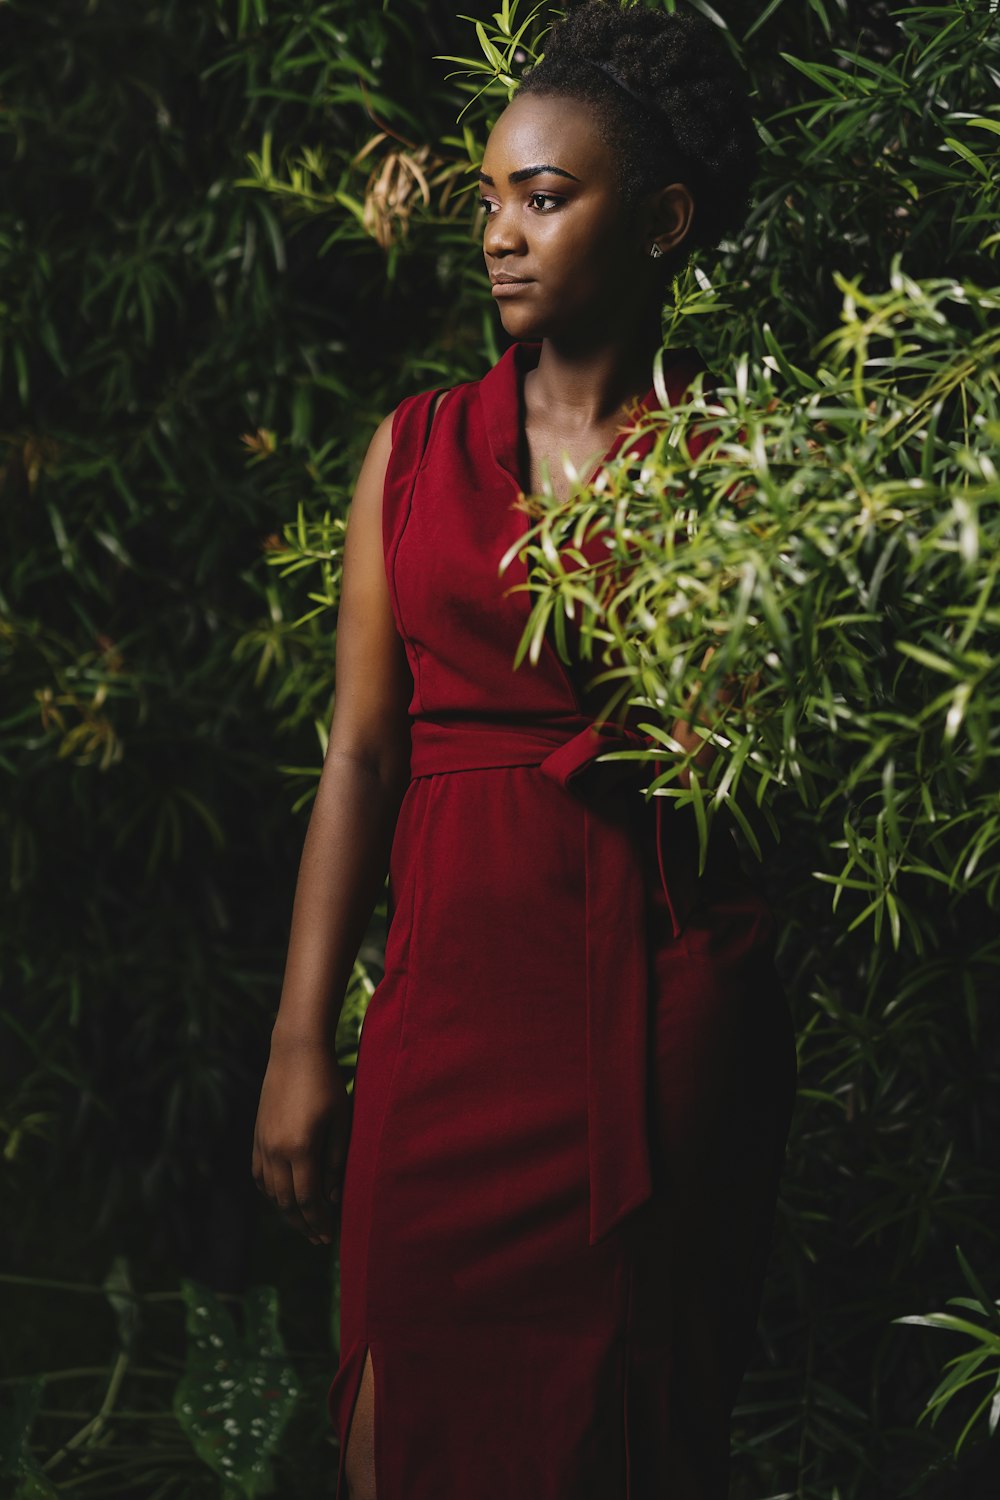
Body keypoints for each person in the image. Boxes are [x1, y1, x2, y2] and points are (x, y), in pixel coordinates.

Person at [251, 3, 798, 1496]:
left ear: (664, 220)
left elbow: (762, 757)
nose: (500, 232)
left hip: (653, 1009)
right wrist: (305, 1040)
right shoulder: (412, 452)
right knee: (401, 1407)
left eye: (545, 199)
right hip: (448, 1019)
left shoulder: (735, 469)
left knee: (626, 1428)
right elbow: (362, 759)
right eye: (493, 197)